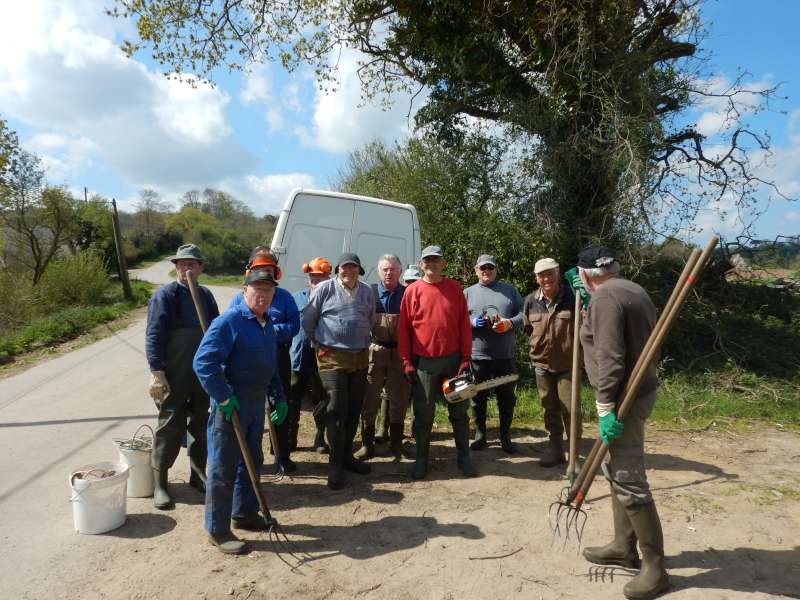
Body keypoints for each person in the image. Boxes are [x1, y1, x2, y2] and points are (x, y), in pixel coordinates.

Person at [576, 245, 669, 600]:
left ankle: (655, 568)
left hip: (621, 401)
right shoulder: (635, 289)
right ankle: (622, 545)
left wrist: (604, 408)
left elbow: (611, 358)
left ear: (585, 275)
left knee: (629, 478)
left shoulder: (604, 300)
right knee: (615, 469)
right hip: (638, 390)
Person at [193, 270, 288, 555]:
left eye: (268, 290)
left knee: (252, 461)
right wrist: (222, 397)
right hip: (230, 408)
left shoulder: (267, 324)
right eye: (257, 289)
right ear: (244, 291)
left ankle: (244, 513)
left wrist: (279, 398)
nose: (263, 294)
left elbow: (270, 369)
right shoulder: (229, 322)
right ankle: (217, 530)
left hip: (255, 406)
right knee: (223, 469)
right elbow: (203, 362)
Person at [145, 243, 219, 509]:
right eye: (181, 263)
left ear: (200, 267)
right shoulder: (165, 296)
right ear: (175, 267)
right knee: (170, 425)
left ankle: (197, 475)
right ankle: (160, 483)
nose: (186, 268)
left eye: (191, 264)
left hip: (202, 372)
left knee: (201, 422)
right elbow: (154, 335)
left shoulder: (206, 295)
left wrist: (219, 363)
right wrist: (157, 372)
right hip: (174, 373)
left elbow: (216, 331)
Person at [398, 245, 475, 480]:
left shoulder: (454, 288)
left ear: (443, 263)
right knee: (423, 414)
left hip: (453, 361)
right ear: (421, 264)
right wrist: (406, 362)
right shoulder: (412, 292)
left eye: (436, 260)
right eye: (427, 260)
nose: (431, 264)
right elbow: (404, 330)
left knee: (459, 412)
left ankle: (464, 458)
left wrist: (465, 358)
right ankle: (422, 460)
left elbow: (464, 324)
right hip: (425, 364)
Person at [302, 252, 375, 490]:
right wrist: (318, 343)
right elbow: (308, 320)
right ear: (337, 270)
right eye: (344, 268)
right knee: (335, 407)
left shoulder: (366, 291)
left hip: (360, 357)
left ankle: (346, 456)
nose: (348, 271)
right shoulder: (324, 289)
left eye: (353, 268)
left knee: (354, 408)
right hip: (331, 357)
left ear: (359, 271)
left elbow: (370, 319)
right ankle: (334, 464)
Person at [229, 247, 299, 472]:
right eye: (260, 270)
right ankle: (249, 459)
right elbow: (233, 330)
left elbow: (294, 326)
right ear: (250, 273)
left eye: (269, 270)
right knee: (252, 411)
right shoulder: (237, 300)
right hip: (248, 361)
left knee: (280, 405)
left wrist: (270, 331)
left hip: (278, 357)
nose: (265, 274)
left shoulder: (285, 297)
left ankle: (282, 456)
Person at [522, 257, 583, 467]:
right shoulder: (530, 300)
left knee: (570, 409)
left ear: (558, 274)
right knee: (549, 408)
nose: (546, 278)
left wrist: (586, 297)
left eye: (550, 273)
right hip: (541, 365)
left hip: (568, 364)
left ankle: (574, 454)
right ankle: (555, 448)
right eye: (541, 275)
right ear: (536, 278)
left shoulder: (573, 297)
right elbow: (529, 329)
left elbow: (587, 323)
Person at [464, 254, 524, 454]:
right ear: (476, 270)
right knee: (477, 398)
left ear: (495, 269)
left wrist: (509, 323)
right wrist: (472, 322)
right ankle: (480, 434)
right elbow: (457, 319)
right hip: (478, 356)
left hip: (504, 356)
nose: (486, 271)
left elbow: (525, 314)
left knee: (506, 399)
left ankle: (505, 436)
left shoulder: (509, 291)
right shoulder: (468, 293)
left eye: (490, 267)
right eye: (482, 268)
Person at [355, 254, 410, 461]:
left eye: (393, 269)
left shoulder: (407, 293)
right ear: (379, 271)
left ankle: (396, 444)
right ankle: (367, 445)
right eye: (385, 269)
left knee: (399, 399)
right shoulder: (368, 292)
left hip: (399, 353)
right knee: (369, 398)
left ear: (400, 271)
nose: (389, 273)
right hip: (374, 351)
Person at [375, 263, 424, 445]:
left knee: (407, 392)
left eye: (415, 282)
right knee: (386, 393)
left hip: (411, 349)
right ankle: (382, 428)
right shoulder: (384, 294)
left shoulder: (413, 296)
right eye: (409, 281)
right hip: (385, 350)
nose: (412, 285)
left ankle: (411, 429)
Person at [290, 257, 332, 454]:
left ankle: (320, 436)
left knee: (323, 398)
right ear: (308, 279)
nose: (317, 282)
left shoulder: (334, 299)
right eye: (314, 278)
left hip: (324, 357)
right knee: (292, 399)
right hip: (298, 357)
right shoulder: (296, 298)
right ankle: (289, 438)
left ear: (328, 278)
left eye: (321, 278)